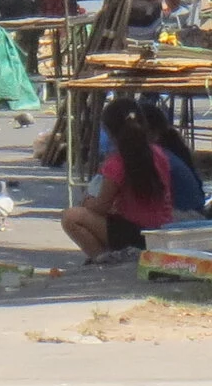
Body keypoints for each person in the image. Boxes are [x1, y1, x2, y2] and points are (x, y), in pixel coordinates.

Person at [61, 95, 172, 264]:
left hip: (136, 233)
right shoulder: (158, 153)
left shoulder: (117, 163)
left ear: (109, 132)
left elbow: (100, 206)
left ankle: (103, 257)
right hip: (160, 230)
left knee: (71, 217)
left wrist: (87, 202)